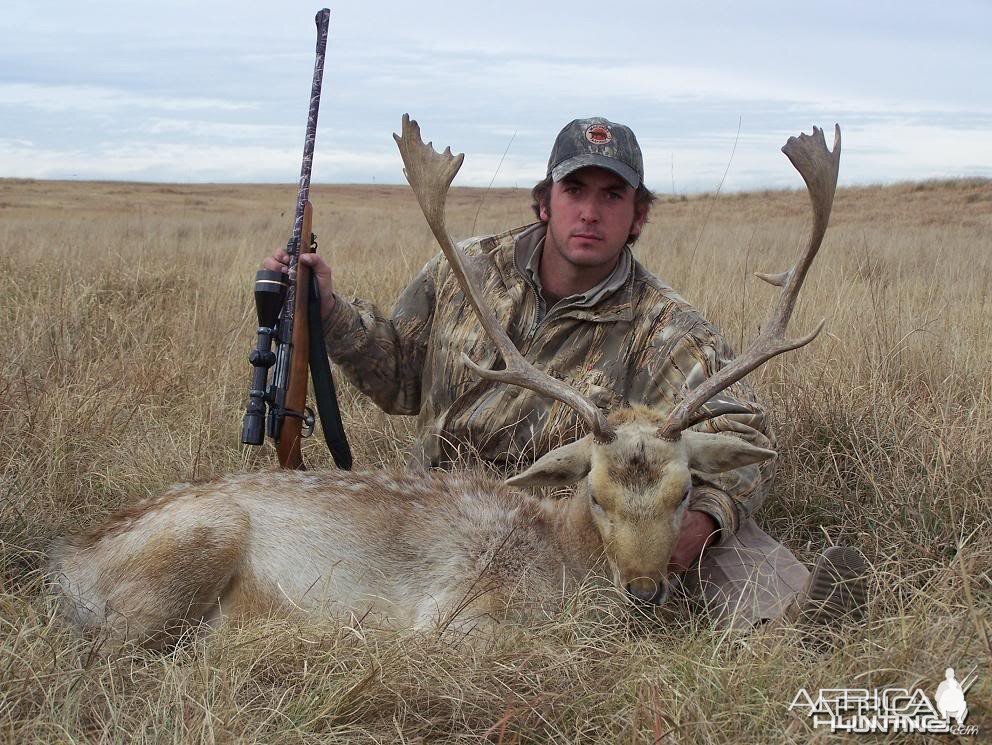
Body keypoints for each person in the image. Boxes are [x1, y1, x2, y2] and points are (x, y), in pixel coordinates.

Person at [263, 117, 866, 628]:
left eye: (612, 196)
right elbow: (397, 374)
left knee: (705, 526)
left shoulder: (666, 326)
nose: (590, 212)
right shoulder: (464, 271)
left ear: (637, 217)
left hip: (575, 529)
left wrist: (703, 516)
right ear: (544, 201)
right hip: (447, 514)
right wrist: (331, 314)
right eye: (576, 189)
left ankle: (795, 626)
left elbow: (747, 434)